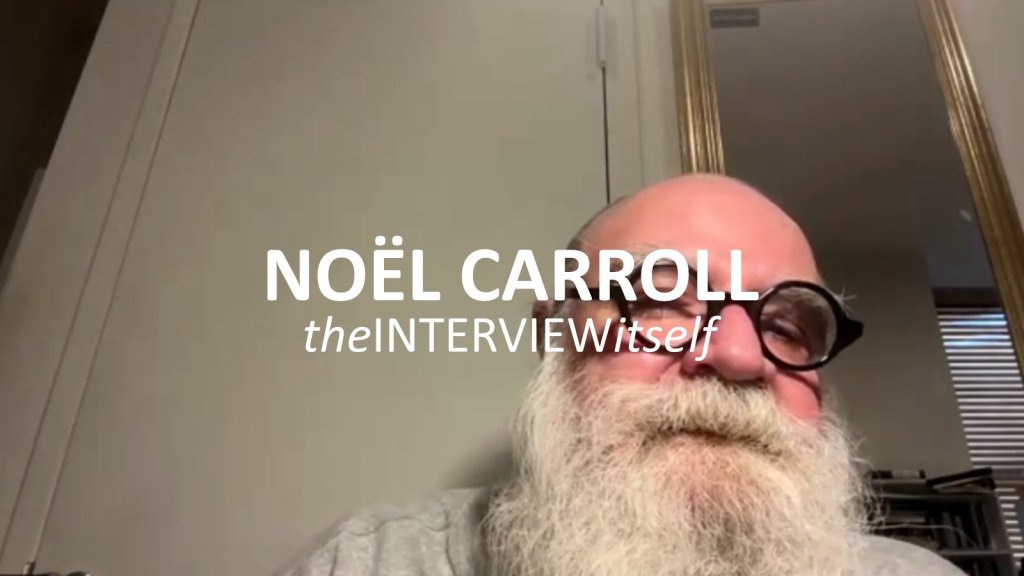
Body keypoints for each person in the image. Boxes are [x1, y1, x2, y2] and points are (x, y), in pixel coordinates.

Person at [277, 175, 964, 576]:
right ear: (556, 334)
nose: (738, 358)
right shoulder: (375, 563)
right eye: (659, 300)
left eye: (786, 326)